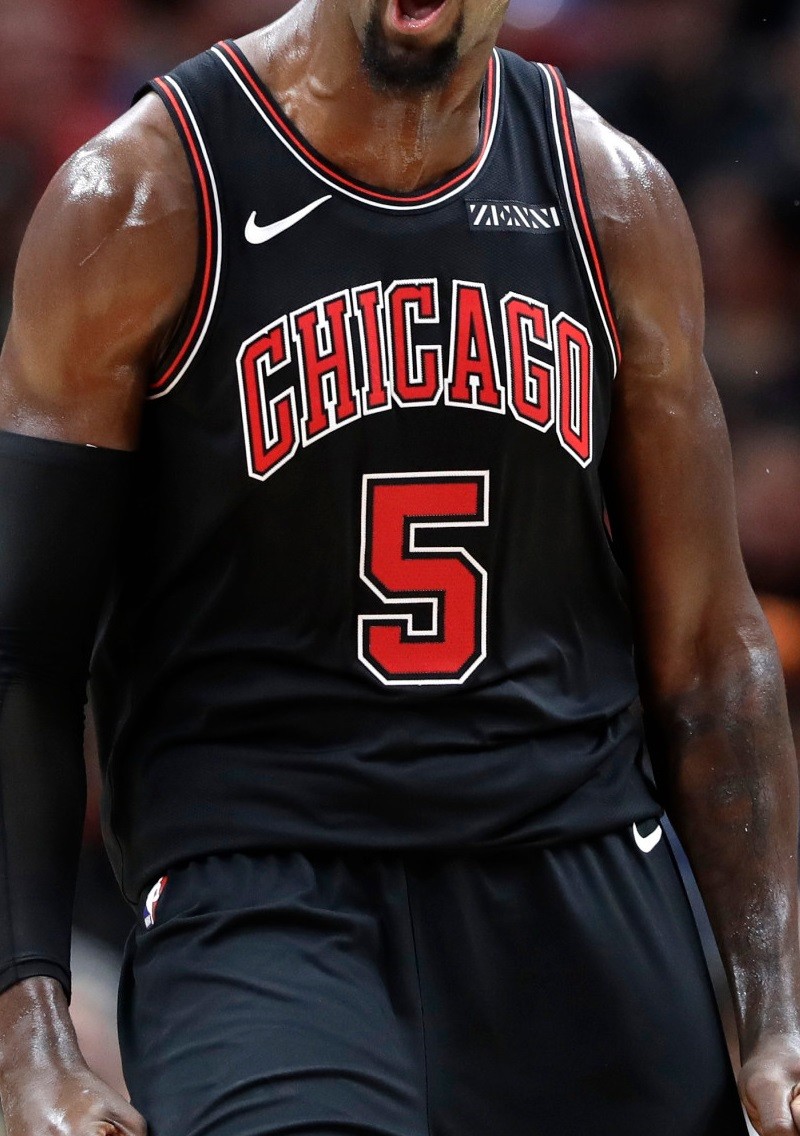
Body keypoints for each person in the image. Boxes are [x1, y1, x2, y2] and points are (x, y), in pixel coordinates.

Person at [0, 1, 797, 1133]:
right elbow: (22, 650)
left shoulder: (610, 197)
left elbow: (710, 645)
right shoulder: (144, 195)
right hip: (267, 887)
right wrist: (24, 1031)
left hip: (574, 869)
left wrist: (778, 1009)